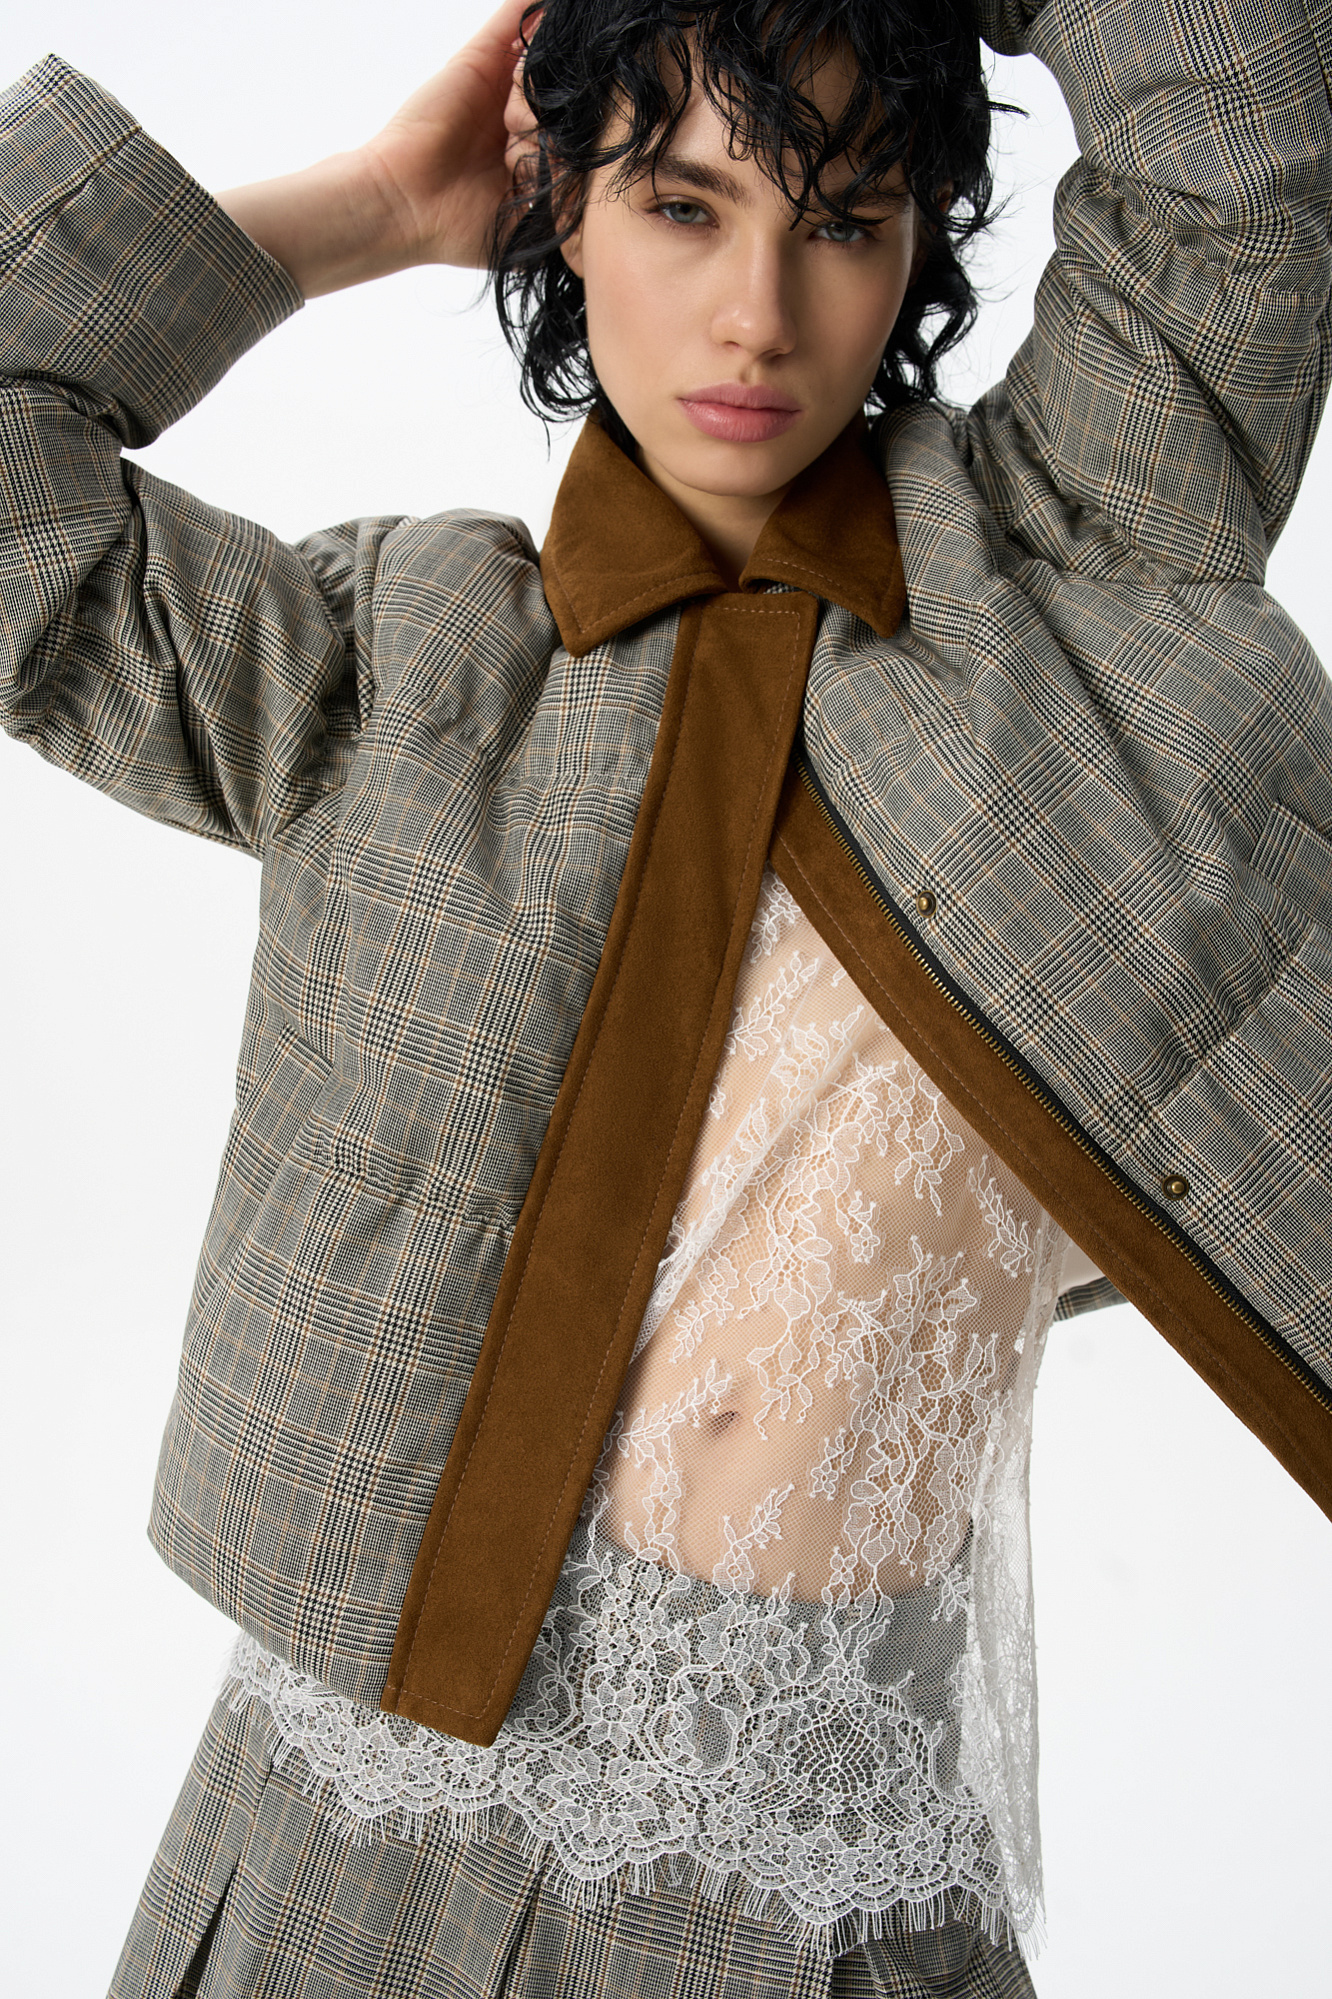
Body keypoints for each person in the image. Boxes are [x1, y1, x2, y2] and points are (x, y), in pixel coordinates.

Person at [2, 0, 1330, 1993]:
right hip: (350, 1835)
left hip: (818, 1869)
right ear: (563, 206)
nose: (759, 317)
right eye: (683, 206)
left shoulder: (1091, 554)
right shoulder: (387, 670)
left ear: (919, 238)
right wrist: (369, 208)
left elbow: (1242, 114)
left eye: (843, 216)